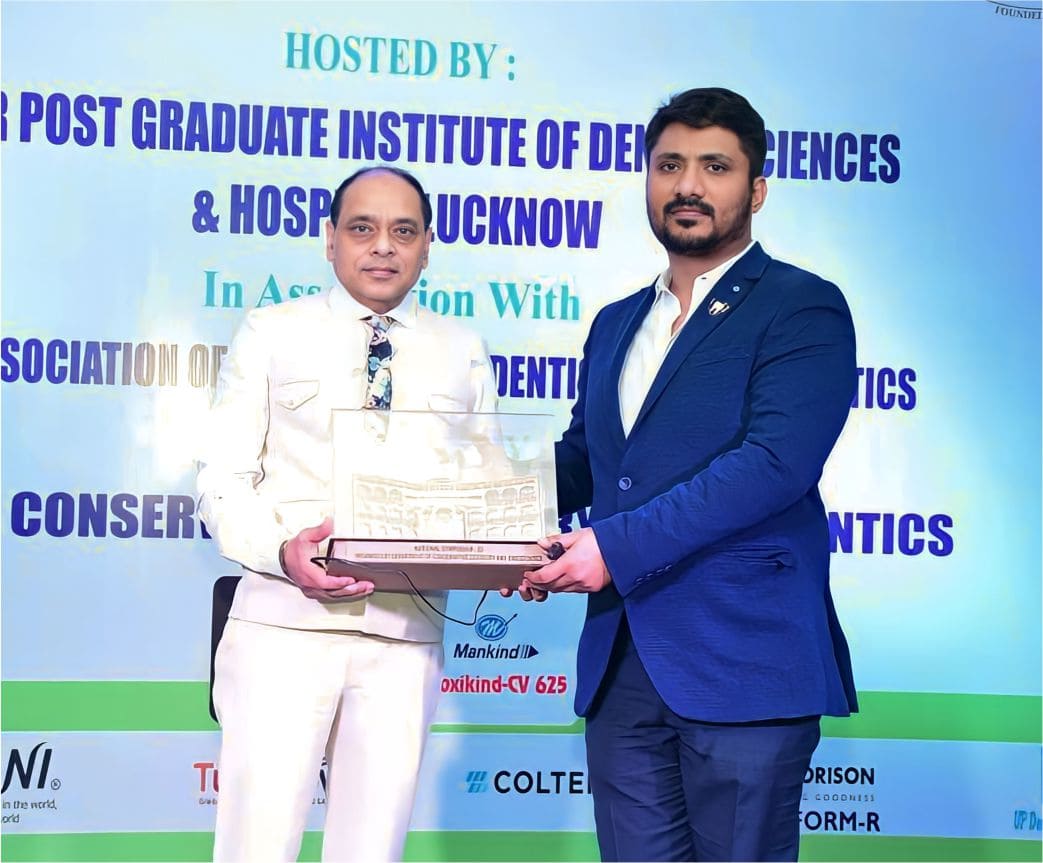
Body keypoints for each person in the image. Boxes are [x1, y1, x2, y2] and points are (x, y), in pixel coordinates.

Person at [521, 88, 858, 862]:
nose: (688, 185)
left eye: (715, 166)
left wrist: (610, 547)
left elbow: (772, 464)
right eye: (669, 165)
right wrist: (471, 510)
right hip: (622, 661)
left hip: (742, 655)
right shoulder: (615, 321)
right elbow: (586, 462)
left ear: (756, 189)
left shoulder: (801, 306)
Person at [197, 166, 497, 863]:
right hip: (282, 627)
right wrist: (283, 553)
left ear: (427, 246)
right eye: (362, 228)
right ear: (330, 239)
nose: (383, 246)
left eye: (403, 231)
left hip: (405, 637)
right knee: (254, 848)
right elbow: (221, 480)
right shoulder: (272, 331)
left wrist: (510, 551)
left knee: (372, 850)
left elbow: (483, 486)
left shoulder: (462, 349)